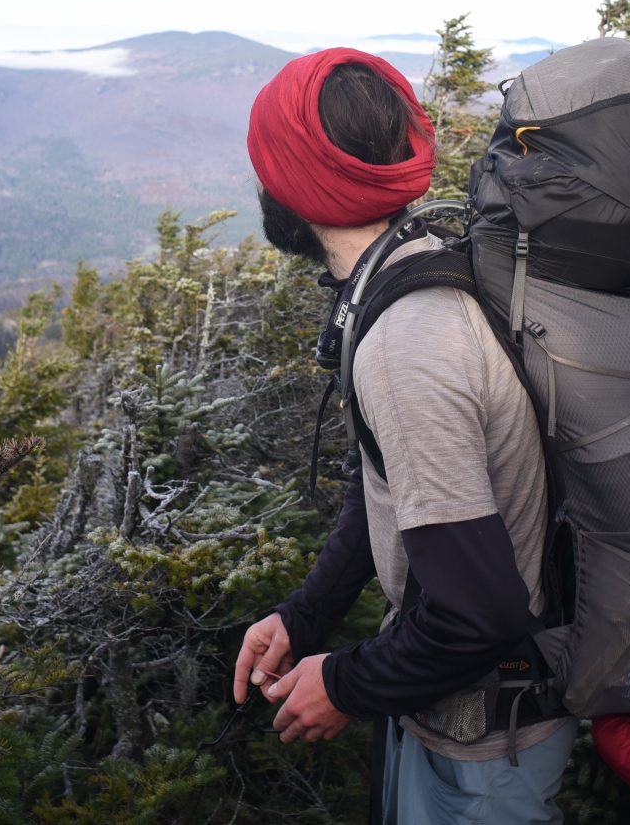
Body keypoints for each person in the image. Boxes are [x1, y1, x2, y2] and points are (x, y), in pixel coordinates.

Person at [230, 47, 576, 825]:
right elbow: (389, 481)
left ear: (295, 186)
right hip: (461, 720)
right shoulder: (414, 263)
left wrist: (344, 684)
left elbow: (479, 612)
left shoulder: (405, 342)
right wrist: (305, 614)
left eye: (268, 166)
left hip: (485, 754)